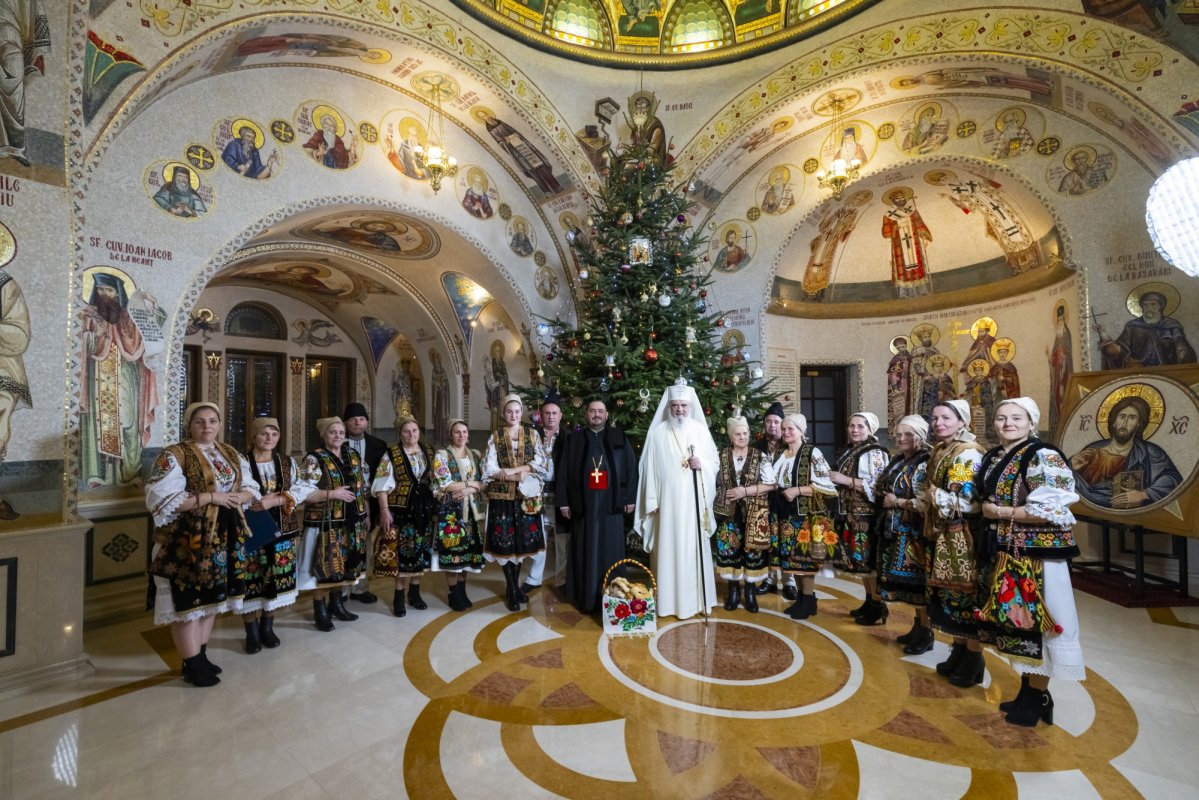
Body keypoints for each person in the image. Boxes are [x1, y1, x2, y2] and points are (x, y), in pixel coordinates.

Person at [978, 398, 1084, 727]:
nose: (1008, 423)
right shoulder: (1000, 455)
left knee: (1043, 626)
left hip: (1039, 557)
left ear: (1030, 423)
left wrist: (1001, 512)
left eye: (1016, 418)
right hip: (1013, 554)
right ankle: (1028, 692)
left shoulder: (1042, 455)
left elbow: (1051, 509)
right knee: (1021, 625)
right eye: (1001, 418)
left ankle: (1039, 697)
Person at [145, 403, 260, 686]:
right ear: (190, 425)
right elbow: (159, 500)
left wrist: (240, 497)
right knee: (187, 601)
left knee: (212, 598)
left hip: (226, 533)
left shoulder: (231, 453)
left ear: (220, 424)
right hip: (189, 538)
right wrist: (212, 498)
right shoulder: (174, 455)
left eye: (212, 420)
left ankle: (201, 655)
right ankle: (192, 663)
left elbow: (251, 488)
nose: (207, 426)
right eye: (199, 421)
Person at [634, 380, 719, 620]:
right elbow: (648, 468)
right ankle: (668, 603)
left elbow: (714, 463)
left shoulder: (701, 432)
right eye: (675, 405)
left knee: (692, 550)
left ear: (690, 407)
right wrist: (652, 499)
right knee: (667, 551)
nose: (679, 409)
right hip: (666, 506)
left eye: (683, 405)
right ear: (668, 406)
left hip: (693, 505)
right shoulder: (657, 432)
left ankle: (696, 602)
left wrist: (701, 464)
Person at [924, 400, 986, 687]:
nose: (938, 423)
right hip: (944, 532)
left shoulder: (966, 454)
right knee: (950, 595)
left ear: (962, 422)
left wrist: (934, 494)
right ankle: (959, 649)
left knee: (965, 594)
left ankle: (974, 657)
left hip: (962, 534)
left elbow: (963, 500)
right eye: (935, 417)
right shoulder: (942, 450)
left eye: (946, 418)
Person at [240, 417, 316, 654]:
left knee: (276, 578)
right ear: (254, 436)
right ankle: (251, 630)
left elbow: (304, 486)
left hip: (282, 529)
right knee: (250, 580)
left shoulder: (286, 463)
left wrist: (280, 498)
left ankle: (267, 626)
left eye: (274, 434)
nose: (269, 438)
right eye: (264, 433)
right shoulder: (241, 461)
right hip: (251, 529)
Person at [557, 399, 638, 613]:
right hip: (583, 505)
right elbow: (563, 473)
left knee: (610, 549)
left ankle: (615, 594)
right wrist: (564, 502)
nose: (596, 415)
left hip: (611, 505)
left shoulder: (618, 437)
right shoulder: (573, 440)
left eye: (600, 411)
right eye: (592, 411)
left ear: (607, 414)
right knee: (585, 548)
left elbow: (631, 468)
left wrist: (630, 498)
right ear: (586, 414)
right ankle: (585, 595)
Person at [80, 272, 158, 488]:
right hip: (99, 379)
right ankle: (100, 474)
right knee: (99, 425)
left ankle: (128, 473)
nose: (104, 294)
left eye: (109, 290)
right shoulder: (88, 314)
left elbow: (143, 342)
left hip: (127, 377)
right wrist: (93, 337)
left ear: (118, 293)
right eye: (100, 289)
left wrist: (149, 308)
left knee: (128, 422)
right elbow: (80, 343)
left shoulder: (128, 317)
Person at [297, 417, 369, 631]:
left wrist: (365, 512)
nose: (337, 436)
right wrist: (332, 493)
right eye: (332, 432)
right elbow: (303, 493)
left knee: (343, 565)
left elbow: (362, 487)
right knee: (321, 566)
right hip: (324, 524)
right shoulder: (313, 459)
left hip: (351, 520)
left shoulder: (354, 456)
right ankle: (320, 610)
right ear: (323, 435)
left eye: (340, 432)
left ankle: (336, 604)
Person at [483, 394, 547, 611]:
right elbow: (489, 469)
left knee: (521, 543)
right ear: (504, 413)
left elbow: (540, 462)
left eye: (517, 411)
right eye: (509, 411)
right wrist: (511, 477)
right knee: (505, 543)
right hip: (502, 497)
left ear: (522, 413)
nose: (513, 415)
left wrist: (516, 469)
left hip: (526, 497)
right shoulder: (496, 436)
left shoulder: (531, 435)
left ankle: (516, 586)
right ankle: (511, 588)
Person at [771, 413, 838, 620]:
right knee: (792, 561)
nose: (786, 432)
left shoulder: (811, 452)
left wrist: (797, 490)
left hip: (804, 514)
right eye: (784, 429)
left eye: (791, 429)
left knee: (804, 560)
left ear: (802, 431)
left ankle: (808, 600)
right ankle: (802, 599)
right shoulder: (780, 453)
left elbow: (827, 486)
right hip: (784, 513)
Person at [876, 415, 933, 654]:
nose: (901, 438)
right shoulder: (899, 459)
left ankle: (926, 632)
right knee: (908, 586)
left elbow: (925, 501)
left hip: (914, 531)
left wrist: (897, 502)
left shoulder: (925, 461)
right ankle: (917, 627)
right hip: (896, 528)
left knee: (919, 583)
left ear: (920, 436)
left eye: (908, 434)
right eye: (898, 434)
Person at [829, 412, 890, 625]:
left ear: (870, 429)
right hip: (852, 514)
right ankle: (869, 601)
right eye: (851, 425)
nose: (855, 430)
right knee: (861, 563)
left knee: (869, 562)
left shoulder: (874, 452)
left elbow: (878, 486)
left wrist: (845, 480)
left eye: (860, 426)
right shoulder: (851, 450)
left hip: (867, 516)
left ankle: (878, 605)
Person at [1070, 394, 1182, 509]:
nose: (1125, 423)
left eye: (1132, 418)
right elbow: (1068, 480)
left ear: (1139, 424)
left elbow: (1172, 478)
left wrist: (1144, 494)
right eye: (1122, 417)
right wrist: (1070, 466)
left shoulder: (1149, 452)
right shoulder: (1092, 450)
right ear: (1114, 421)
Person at [372, 417, 435, 618]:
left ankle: (414, 593)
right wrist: (384, 510)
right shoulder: (391, 454)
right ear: (400, 433)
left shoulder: (429, 451)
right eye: (406, 431)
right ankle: (399, 596)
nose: (411, 435)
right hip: (401, 510)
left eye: (415, 430)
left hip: (424, 509)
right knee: (402, 553)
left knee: (421, 551)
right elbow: (381, 484)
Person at [712, 415, 776, 612]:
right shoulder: (721, 455)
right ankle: (733, 590)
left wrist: (745, 491)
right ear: (731, 436)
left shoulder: (759, 455)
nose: (742, 437)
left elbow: (771, 484)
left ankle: (749, 591)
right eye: (738, 434)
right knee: (729, 550)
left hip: (753, 513)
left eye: (745, 433)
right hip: (728, 513)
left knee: (752, 551)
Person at [431, 419, 486, 610]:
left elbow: (484, 482)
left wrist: (469, 490)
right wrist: (472, 484)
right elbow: (444, 484)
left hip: (473, 512)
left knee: (468, 554)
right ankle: (453, 593)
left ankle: (463, 591)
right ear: (450, 434)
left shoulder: (476, 455)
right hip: (452, 514)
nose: (461, 436)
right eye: (457, 432)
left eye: (464, 432)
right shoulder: (442, 455)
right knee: (454, 553)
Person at [341, 402, 387, 604]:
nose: (357, 422)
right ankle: (341, 591)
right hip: (344, 501)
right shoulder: (337, 443)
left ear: (367, 422)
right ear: (345, 423)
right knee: (343, 544)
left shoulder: (379, 445)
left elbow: (383, 475)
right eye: (352, 419)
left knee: (365, 545)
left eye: (361, 419)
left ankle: (361, 588)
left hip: (369, 502)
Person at [524, 394, 566, 594]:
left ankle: (563, 579)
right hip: (536, 494)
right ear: (541, 415)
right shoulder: (532, 436)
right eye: (547, 413)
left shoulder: (569, 438)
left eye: (554, 413)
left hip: (560, 495)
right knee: (538, 538)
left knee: (562, 541)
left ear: (561, 415)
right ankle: (534, 579)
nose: (551, 417)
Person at [1099, 291, 1197, 369]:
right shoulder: (1133, 327)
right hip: (1138, 372)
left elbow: (1183, 350)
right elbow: (1119, 351)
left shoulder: (1171, 326)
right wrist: (1104, 336)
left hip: (1166, 373)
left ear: (1160, 307)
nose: (1148, 308)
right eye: (1145, 305)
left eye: (1153, 304)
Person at [754, 401, 791, 599]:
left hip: (786, 501)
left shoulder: (790, 446)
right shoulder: (757, 446)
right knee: (768, 540)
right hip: (764, 500)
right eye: (769, 421)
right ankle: (769, 579)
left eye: (776, 422)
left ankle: (789, 581)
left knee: (786, 539)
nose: (772, 426)